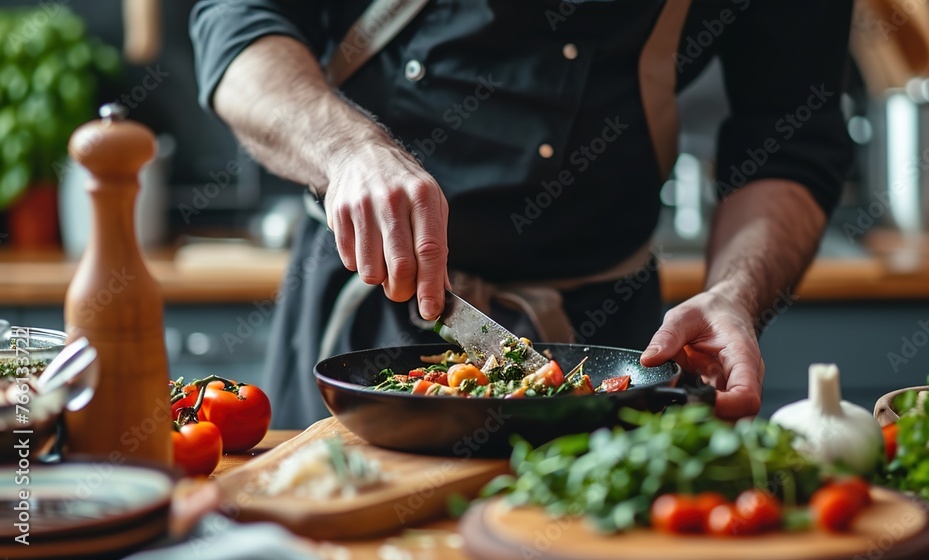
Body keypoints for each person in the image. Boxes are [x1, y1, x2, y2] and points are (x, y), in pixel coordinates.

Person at [190, 0, 853, 429]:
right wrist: (347, 151)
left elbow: (791, 134)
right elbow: (238, 21)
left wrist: (736, 294)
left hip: (603, 347)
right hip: (358, 328)